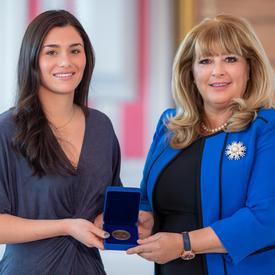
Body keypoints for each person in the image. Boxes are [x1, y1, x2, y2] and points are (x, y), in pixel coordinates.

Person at [127, 14, 275, 275]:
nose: (217, 71)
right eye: (205, 61)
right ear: (191, 72)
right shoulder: (169, 124)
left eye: (230, 59)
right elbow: (147, 199)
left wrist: (183, 243)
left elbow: (266, 219)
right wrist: (145, 218)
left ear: (249, 68)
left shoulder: (266, 128)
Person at [0, 10, 122, 274]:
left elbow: (109, 203)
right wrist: (66, 226)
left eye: (75, 51)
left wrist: (109, 220)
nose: (66, 62)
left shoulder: (102, 127)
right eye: (52, 52)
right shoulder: (7, 130)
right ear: (32, 60)